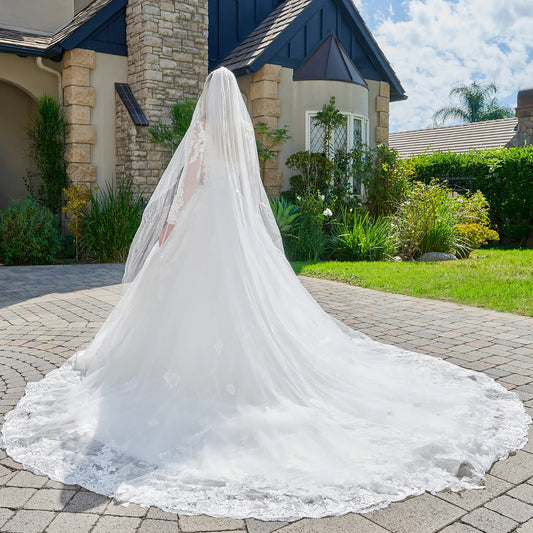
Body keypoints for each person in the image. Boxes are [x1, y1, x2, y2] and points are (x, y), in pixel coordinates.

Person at [1, 67, 529, 522]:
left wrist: (167, 231)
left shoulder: (205, 130)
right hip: (234, 229)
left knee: (189, 299)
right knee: (242, 300)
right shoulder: (241, 133)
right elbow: (251, 190)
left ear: (208, 99)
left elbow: (186, 188)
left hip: (203, 226)